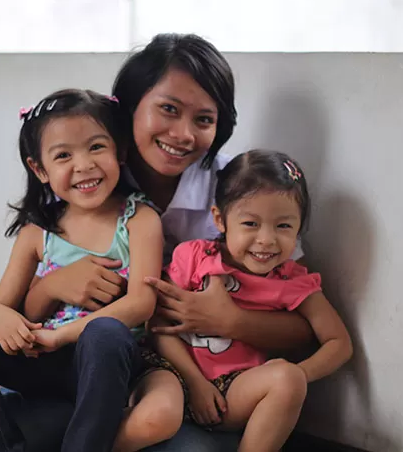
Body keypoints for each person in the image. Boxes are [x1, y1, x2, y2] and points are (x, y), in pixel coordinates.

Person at [0, 34, 316, 452]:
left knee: (187, 445)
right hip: (71, 360)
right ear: (128, 109)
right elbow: (18, 313)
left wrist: (229, 320)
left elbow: (303, 324)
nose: (182, 133)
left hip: (164, 372)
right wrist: (52, 286)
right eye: (168, 109)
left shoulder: (240, 193)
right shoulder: (82, 185)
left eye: (203, 119)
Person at [0, 88, 165, 452]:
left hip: (106, 366)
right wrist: (0, 317)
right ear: (40, 169)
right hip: (43, 361)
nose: (83, 165)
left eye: (96, 147)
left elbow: (141, 304)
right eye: (63, 155)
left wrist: (61, 336)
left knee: (105, 333)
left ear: (120, 151)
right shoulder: (36, 233)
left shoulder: (139, 219)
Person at [145, 150, 353, 452]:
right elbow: (157, 326)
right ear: (220, 219)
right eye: (251, 224)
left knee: (287, 378)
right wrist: (195, 383)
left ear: (299, 227)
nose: (266, 239)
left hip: (233, 393)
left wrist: (297, 377)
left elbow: (339, 343)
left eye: (283, 226)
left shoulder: (291, 280)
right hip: (173, 375)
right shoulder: (194, 256)